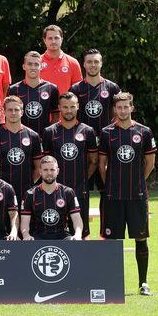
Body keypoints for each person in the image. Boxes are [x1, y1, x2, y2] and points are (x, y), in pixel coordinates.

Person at [98, 92, 156, 296]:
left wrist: (138, 181)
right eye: (119, 107)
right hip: (113, 196)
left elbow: (150, 163)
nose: (123, 110)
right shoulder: (106, 133)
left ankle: (143, 283)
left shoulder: (144, 132)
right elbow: (102, 165)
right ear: (114, 109)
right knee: (111, 241)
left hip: (136, 195)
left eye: (126, 107)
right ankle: (112, 284)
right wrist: (111, 184)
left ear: (132, 107)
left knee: (141, 238)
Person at [41, 92, 98, 238]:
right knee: (54, 231)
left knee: (82, 232)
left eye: (72, 107)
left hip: (80, 189)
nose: (69, 110)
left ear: (78, 106)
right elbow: (44, 162)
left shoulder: (88, 131)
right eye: (65, 107)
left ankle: (83, 254)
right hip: (54, 189)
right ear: (59, 107)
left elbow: (94, 161)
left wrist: (83, 178)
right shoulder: (49, 132)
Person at [70, 48, 121, 193]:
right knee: (81, 189)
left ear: (101, 63)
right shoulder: (75, 89)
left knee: (108, 189)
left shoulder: (112, 88)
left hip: (106, 144)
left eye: (96, 62)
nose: (93, 65)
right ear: (84, 64)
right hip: (83, 145)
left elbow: (120, 114)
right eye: (89, 62)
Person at [0, 96, 43, 201]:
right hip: (0, 192)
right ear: (4, 112)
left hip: (26, 192)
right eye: (10, 110)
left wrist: (29, 184)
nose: (13, 113)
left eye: (16, 110)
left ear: (22, 112)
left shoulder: (33, 136)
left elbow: (39, 167)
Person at [20, 155, 83, 240]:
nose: (49, 173)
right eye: (45, 170)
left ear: (57, 171)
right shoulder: (30, 194)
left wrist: (78, 235)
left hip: (62, 236)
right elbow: (25, 221)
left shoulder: (68, 192)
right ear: (40, 171)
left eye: (52, 169)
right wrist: (26, 235)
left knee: (73, 243)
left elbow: (76, 218)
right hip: (38, 237)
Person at [8, 51, 60, 137]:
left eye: (36, 64)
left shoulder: (52, 89)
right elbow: (9, 116)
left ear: (41, 67)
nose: (33, 67)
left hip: (43, 139)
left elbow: (56, 116)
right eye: (29, 64)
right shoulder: (14, 89)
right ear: (24, 66)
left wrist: (47, 135)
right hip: (19, 138)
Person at [40, 24, 82, 93]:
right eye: (50, 38)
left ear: (61, 39)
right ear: (44, 40)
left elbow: (78, 90)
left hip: (65, 100)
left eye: (56, 38)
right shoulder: (36, 62)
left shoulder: (73, 62)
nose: (53, 41)